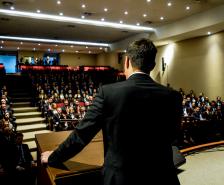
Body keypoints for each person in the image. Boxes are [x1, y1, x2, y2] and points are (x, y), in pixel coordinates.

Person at [41, 38, 182, 185]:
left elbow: (82, 134)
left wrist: (54, 157)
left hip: (122, 178)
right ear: (153, 65)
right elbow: (174, 136)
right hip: (163, 176)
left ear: (127, 62)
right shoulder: (173, 96)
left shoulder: (108, 92)